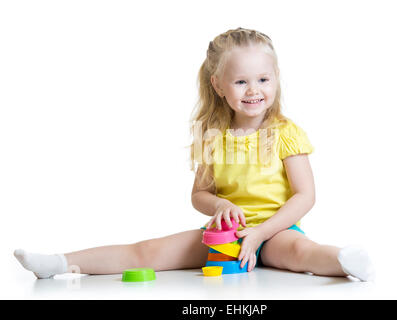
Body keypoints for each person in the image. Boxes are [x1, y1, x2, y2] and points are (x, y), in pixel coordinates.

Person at [14, 27, 374, 281]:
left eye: (263, 79)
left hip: (276, 230)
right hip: (223, 233)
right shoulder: (212, 135)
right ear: (218, 85)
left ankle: (345, 261)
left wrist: (261, 233)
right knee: (147, 252)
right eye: (241, 81)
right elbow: (199, 194)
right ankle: (60, 263)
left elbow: (305, 195)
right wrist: (220, 207)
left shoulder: (286, 133)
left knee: (299, 255)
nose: (254, 90)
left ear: (276, 78)